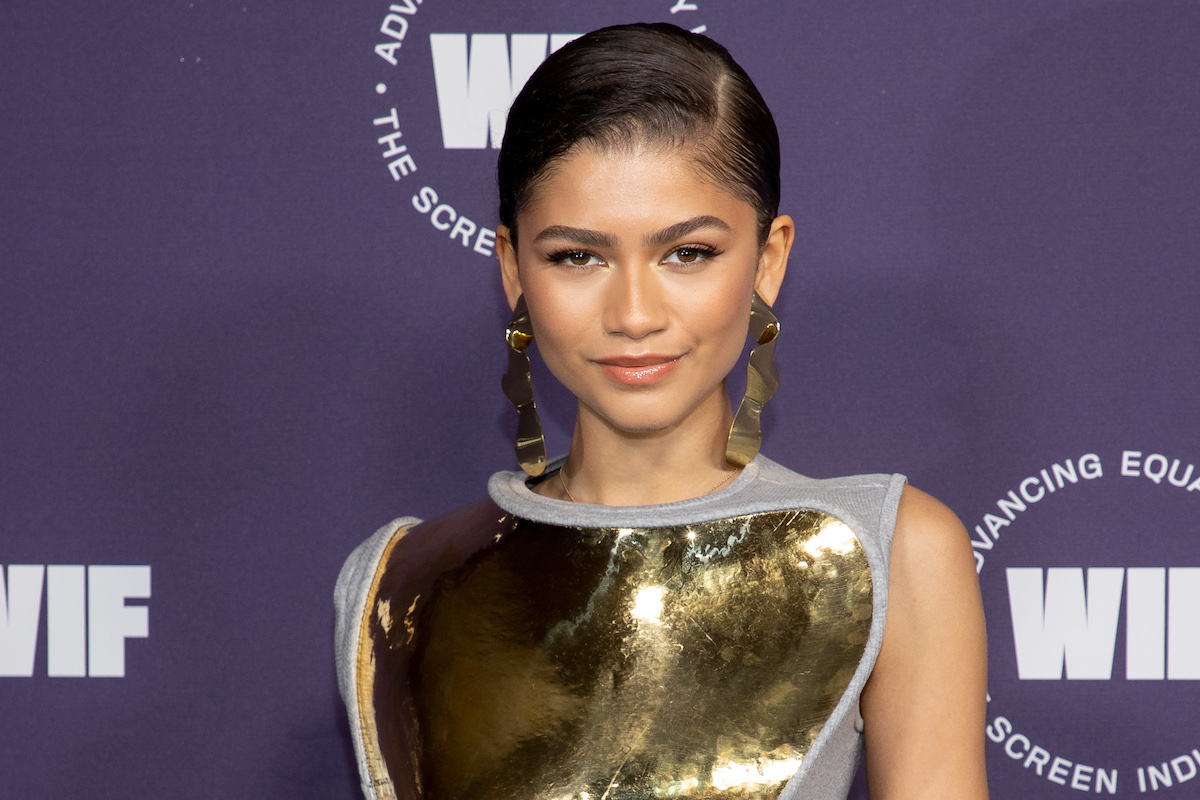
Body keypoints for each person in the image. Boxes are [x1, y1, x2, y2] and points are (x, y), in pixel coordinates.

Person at [335, 22, 987, 800]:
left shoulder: (893, 552)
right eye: (578, 256)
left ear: (767, 261)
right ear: (512, 270)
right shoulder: (398, 582)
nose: (635, 314)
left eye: (688, 253)